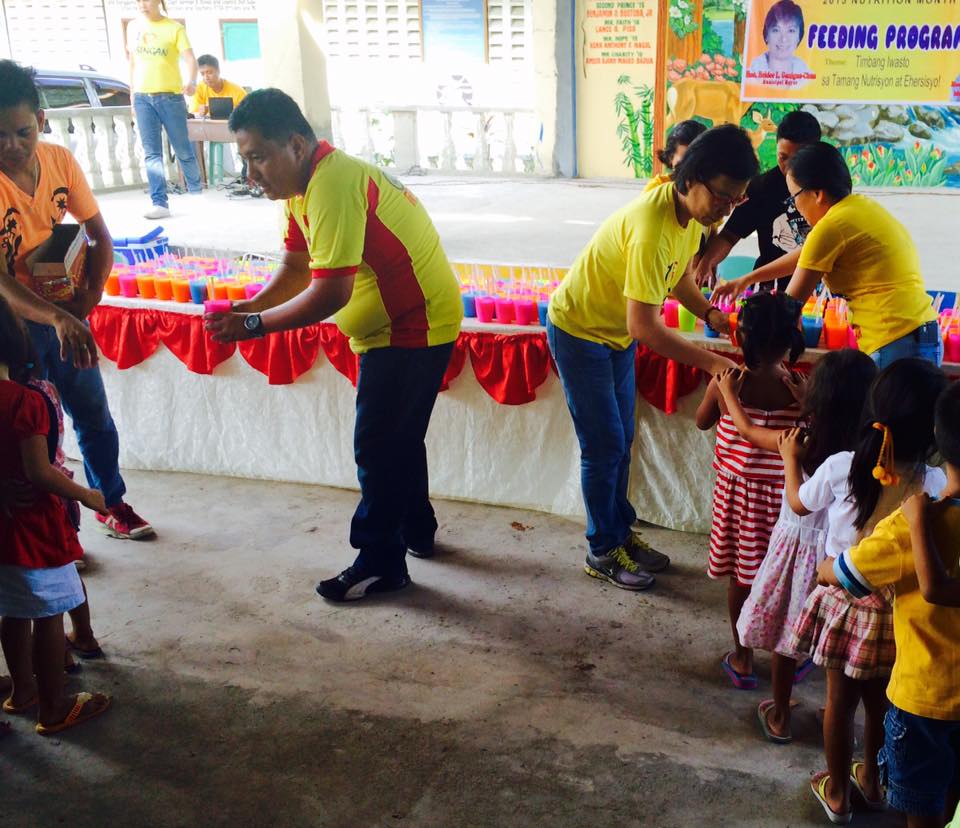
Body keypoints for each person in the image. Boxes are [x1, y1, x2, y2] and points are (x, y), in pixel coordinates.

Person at [204, 89, 463, 603]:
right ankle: (417, 530)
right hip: (395, 327)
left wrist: (253, 327)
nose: (250, 174)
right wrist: (246, 309)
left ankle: (380, 561)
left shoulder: (332, 183)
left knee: (378, 445)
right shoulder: (301, 190)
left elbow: (329, 293)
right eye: (244, 160)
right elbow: (296, 270)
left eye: (258, 157)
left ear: (296, 145)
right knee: (399, 436)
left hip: (413, 326)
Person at [547, 124, 758, 592]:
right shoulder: (650, 225)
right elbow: (645, 327)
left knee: (622, 440)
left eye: (737, 200)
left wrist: (707, 312)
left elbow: (676, 275)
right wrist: (711, 363)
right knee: (603, 446)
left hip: (613, 337)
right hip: (579, 332)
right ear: (690, 179)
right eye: (724, 196)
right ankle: (602, 548)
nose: (727, 208)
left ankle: (620, 531)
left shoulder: (690, 219)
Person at [786, 359, 948, 824]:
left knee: (839, 702)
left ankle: (836, 792)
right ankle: (873, 784)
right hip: (899, 613)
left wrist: (790, 460)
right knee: (882, 703)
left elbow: (798, 504)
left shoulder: (842, 467)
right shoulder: (933, 484)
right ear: (933, 434)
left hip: (845, 601)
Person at [0, 60, 154, 540]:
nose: (11, 145)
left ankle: (111, 503)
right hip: (13, 329)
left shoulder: (61, 161)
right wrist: (53, 319)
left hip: (67, 314)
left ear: (41, 122)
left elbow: (98, 236)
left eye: (22, 131)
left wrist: (86, 300)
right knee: (34, 432)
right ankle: (54, 529)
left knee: (93, 415)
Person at [716, 350, 877, 743]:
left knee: (788, 642)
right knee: (835, 638)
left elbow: (749, 433)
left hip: (798, 552)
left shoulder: (801, 441)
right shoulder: (870, 450)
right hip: (839, 562)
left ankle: (780, 716)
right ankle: (836, 713)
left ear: (819, 399)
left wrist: (729, 395)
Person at [825, 382, 960, 828]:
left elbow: (846, 572)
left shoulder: (914, 524)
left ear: (940, 439)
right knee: (948, 799)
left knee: (919, 809)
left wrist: (825, 565)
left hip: (924, 700)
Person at [717, 141, 941, 369]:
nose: (794, 206)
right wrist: (747, 279)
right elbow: (805, 257)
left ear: (817, 194)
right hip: (922, 334)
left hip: (894, 340)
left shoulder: (831, 227)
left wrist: (740, 329)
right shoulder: (857, 209)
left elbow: (787, 309)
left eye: (794, 197)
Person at [0, 295, 111, 735]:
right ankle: (53, 706)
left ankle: (21, 689)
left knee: (12, 612)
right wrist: (87, 494)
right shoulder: (23, 401)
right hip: (35, 528)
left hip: (3, 526)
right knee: (48, 615)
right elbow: (39, 471)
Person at [695, 292, 804, 688]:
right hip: (784, 503)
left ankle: (742, 655)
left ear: (739, 337)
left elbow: (702, 422)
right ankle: (786, 655)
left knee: (740, 579)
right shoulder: (798, 388)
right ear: (790, 342)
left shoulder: (728, 384)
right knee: (784, 581)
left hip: (738, 501)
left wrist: (721, 396)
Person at [696, 110, 821, 291]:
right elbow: (730, 235)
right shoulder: (762, 187)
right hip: (769, 290)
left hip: (817, 292)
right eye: (783, 157)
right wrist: (706, 263)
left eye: (798, 159)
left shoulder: (828, 189)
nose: (789, 168)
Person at [127, 0, 203, 220]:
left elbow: (190, 59)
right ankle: (159, 202)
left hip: (170, 97)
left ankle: (196, 195)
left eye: (147, 0)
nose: (142, 4)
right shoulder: (133, 27)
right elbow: (132, 63)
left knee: (183, 149)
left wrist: (191, 82)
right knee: (152, 153)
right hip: (143, 98)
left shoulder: (174, 28)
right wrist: (132, 97)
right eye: (138, 0)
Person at [746, 0, 813, 86]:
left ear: (799, 37)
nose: (783, 39)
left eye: (791, 30)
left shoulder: (807, 80)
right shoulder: (750, 79)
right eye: (776, 30)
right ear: (766, 35)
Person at [643, 119, 707, 193]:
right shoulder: (657, 188)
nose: (691, 169)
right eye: (685, 161)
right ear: (670, 157)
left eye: (698, 161)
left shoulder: (712, 190)